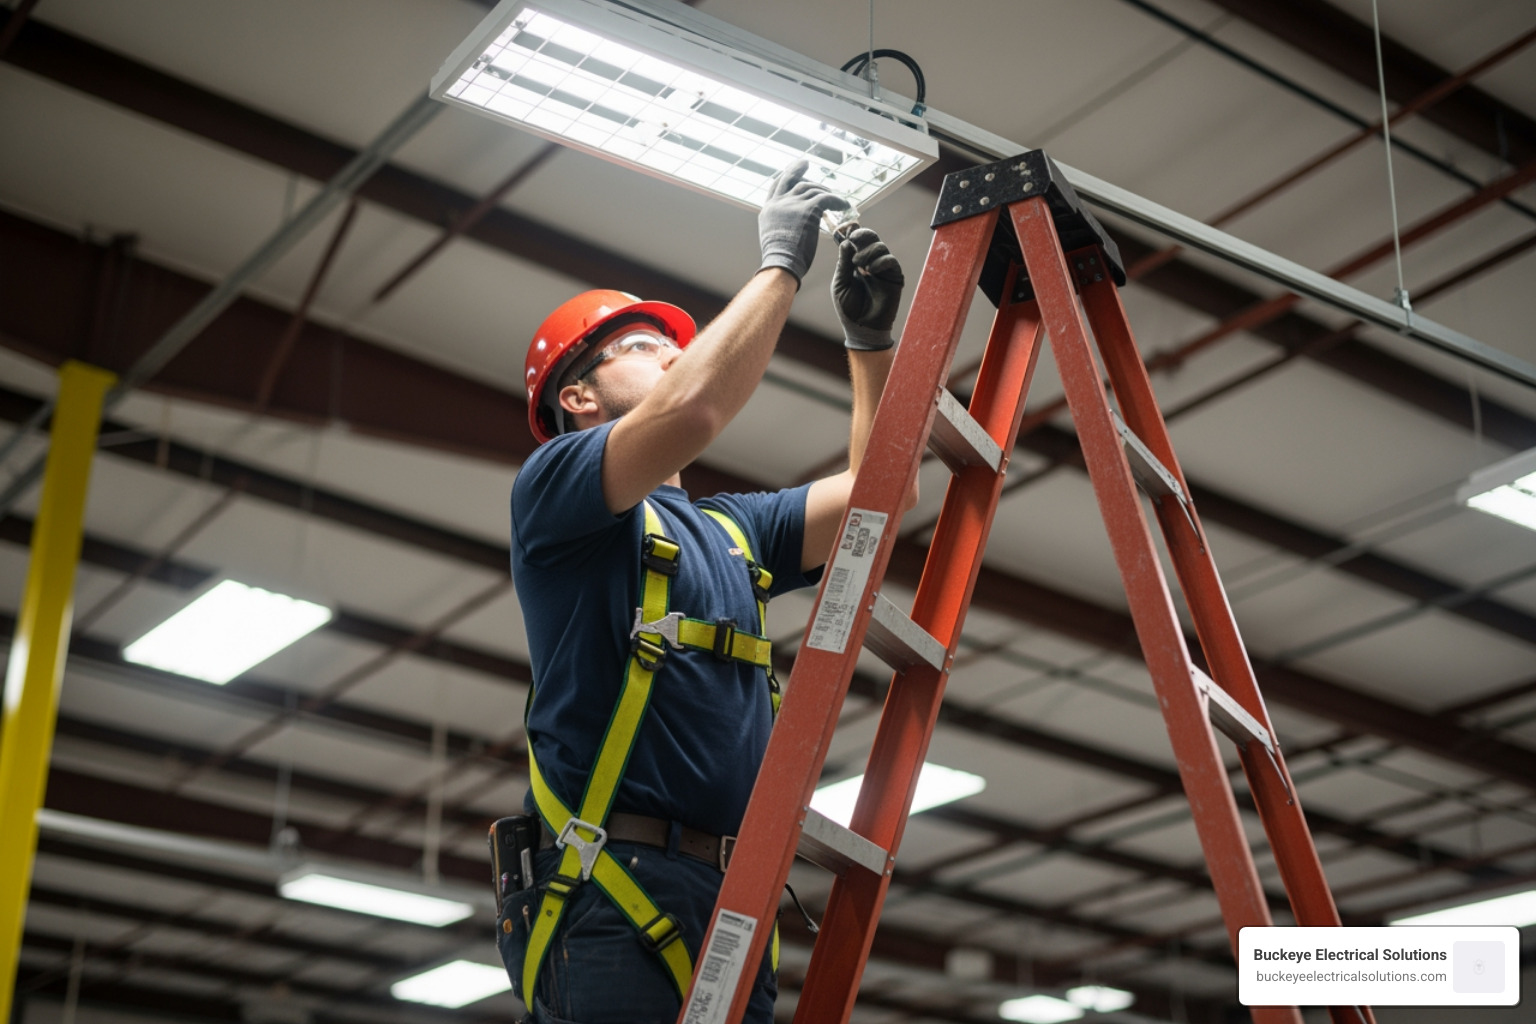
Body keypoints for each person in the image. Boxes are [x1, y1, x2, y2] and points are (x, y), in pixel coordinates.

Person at [501, 159, 909, 1024]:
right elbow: (691, 411)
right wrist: (780, 266)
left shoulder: (733, 530)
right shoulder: (558, 493)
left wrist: (871, 349)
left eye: (674, 346)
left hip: (734, 896)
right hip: (609, 894)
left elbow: (883, 500)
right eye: (644, 347)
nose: (675, 354)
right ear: (578, 395)